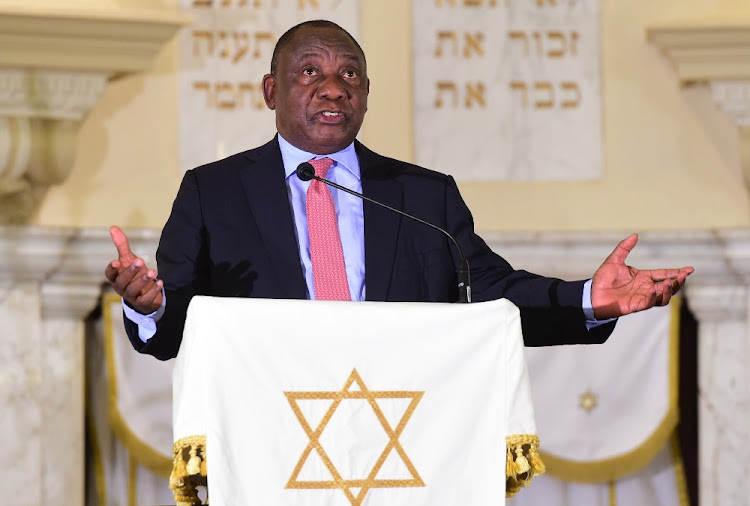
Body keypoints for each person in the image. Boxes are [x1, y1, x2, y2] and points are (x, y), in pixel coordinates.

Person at [105, 20, 693, 361]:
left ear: (365, 93)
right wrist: (148, 305)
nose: (333, 89)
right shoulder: (214, 192)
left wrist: (590, 298)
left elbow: (488, 296)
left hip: (404, 432)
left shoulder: (423, 196)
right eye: (310, 72)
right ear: (270, 90)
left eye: (349, 75)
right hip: (267, 433)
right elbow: (176, 324)